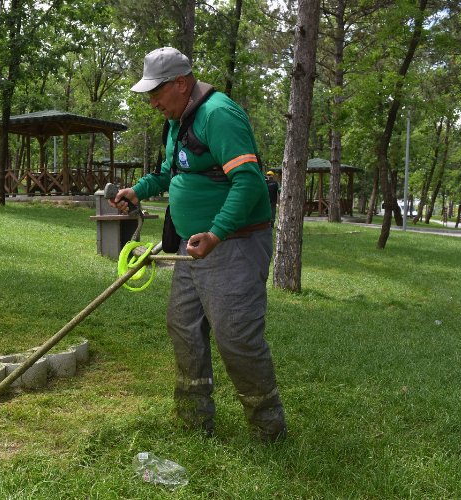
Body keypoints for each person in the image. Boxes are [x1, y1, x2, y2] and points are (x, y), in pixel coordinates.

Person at [110, 47, 286, 442]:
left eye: (157, 92)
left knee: (236, 336)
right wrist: (138, 190)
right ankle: (193, 419)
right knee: (184, 326)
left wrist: (217, 233)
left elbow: (249, 182)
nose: (152, 102)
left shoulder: (218, 114)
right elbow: (171, 171)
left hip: (233, 245)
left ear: (182, 83)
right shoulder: (178, 118)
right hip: (193, 248)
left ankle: (267, 428)